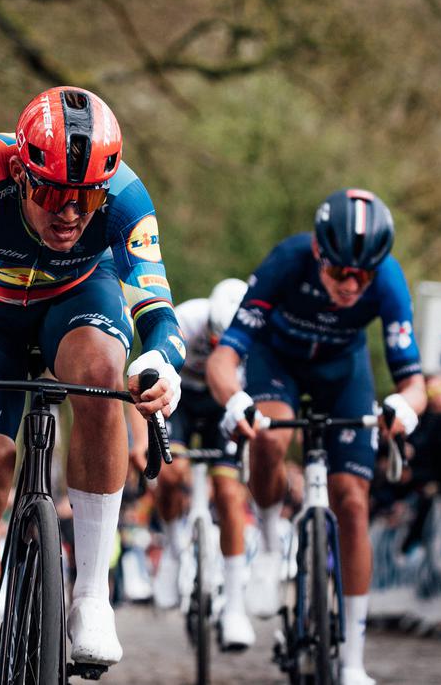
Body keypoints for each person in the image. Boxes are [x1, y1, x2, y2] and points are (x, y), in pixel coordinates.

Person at [0, 87, 184, 684]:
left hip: (75, 303)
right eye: (52, 193)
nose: (70, 214)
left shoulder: (127, 197)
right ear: (23, 174)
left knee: (104, 376)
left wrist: (160, 361)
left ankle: (91, 598)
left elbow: (157, 312)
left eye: (86, 198)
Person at [205, 188, 425, 685]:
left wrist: (403, 409)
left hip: (343, 372)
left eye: (362, 275)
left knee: (353, 501)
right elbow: (225, 356)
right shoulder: (288, 259)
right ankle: (266, 543)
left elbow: (415, 385)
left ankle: (352, 662)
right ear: (319, 254)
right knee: (269, 438)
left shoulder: (387, 280)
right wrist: (236, 400)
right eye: (339, 272)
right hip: (277, 363)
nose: (351, 285)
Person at [144, 277, 255, 648]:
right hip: (183, 399)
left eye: (222, 345)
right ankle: (175, 550)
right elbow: (144, 375)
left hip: (222, 401)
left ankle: (235, 605)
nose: (213, 348)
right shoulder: (188, 318)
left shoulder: (251, 339)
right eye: (211, 340)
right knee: (171, 473)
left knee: (229, 492)